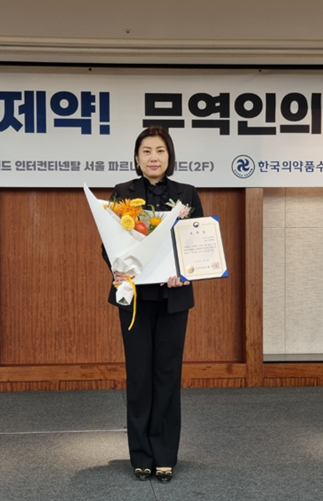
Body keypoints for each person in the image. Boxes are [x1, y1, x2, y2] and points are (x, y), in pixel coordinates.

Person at [102, 125, 203, 483]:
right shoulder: (122, 193)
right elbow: (109, 244)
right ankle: (141, 456)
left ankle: (165, 456)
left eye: (160, 150)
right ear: (136, 157)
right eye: (146, 151)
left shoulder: (186, 194)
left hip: (173, 297)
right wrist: (117, 269)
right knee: (139, 375)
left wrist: (184, 272)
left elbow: (195, 243)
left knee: (167, 375)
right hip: (135, 298)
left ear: (169, 156)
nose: (153, 157)